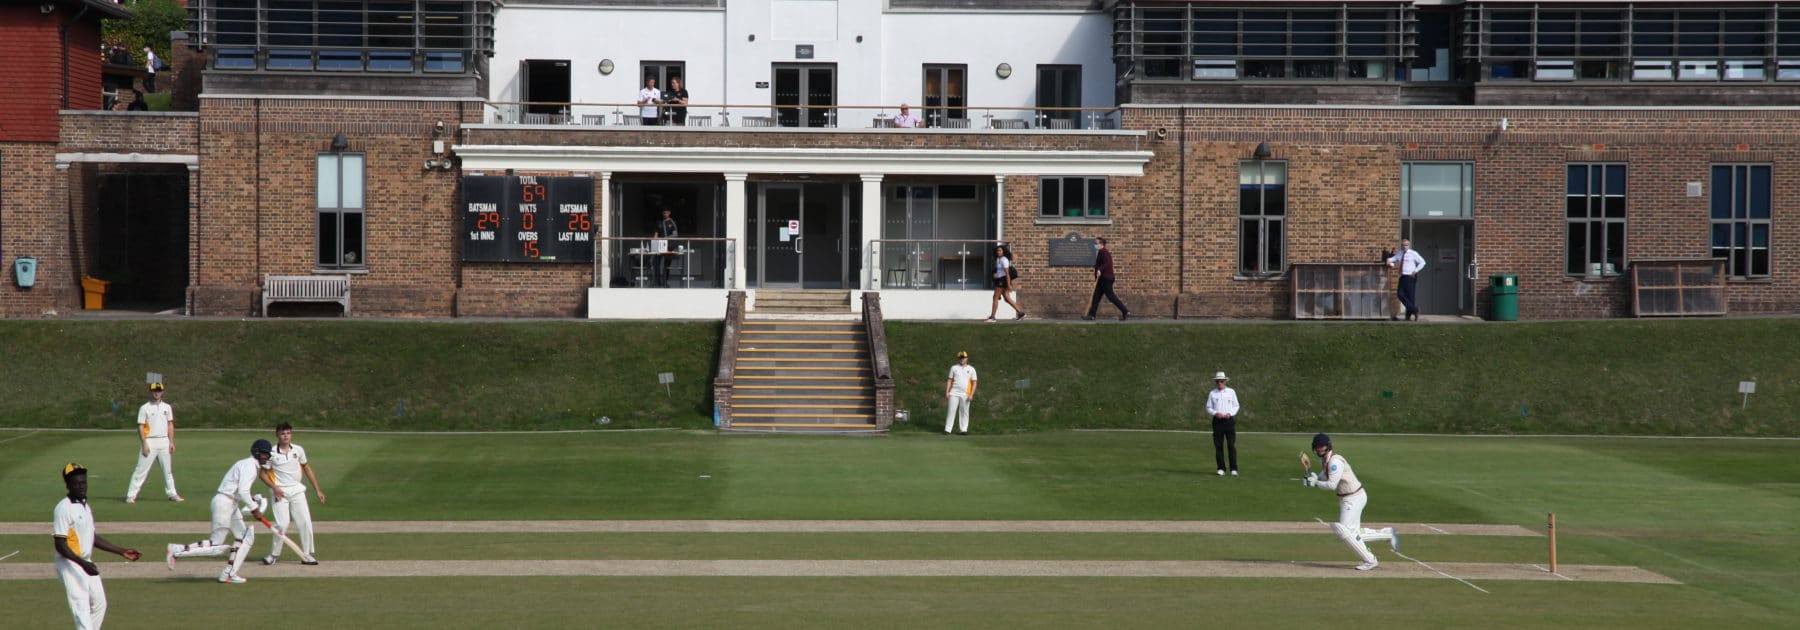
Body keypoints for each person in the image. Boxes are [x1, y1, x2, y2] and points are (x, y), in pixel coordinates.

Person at [166, 440, 271, 584]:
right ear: (257, 452)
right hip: (224, 503)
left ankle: (228, 573)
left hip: (230, 502)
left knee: (245, 536)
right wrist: (254, 509)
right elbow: (243, 491)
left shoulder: (247, 464)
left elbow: (239, 490)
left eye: (267, 454)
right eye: (264, 453)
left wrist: (253, 500)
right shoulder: (250, 467)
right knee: (216, 545)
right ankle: (177, 551)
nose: (266, 456)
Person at [54, 463, 142, 630]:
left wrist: (121, 551)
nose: (81, 487)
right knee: (82, 609)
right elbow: (59, 544)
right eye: (76, 483)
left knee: (100, 604)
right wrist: (82, 563)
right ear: (68, 485)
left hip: (85, 562)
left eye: (84, 483)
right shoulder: (63, 508)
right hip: (70, 564)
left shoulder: (85, 506)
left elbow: (92, 537)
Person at [1302, 433, 1397, 571]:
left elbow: (1331, 485)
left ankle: (1370, 560)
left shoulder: (1335, 462)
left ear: (1328, 446)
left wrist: (1315, 483)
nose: (1319, 449)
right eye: (1317, 447)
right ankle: (1387, 533)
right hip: (1348, 498)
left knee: (1344, 532)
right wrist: (1315, 477)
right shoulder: (1326, 461)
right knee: (1353, 534)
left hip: (1354, 497)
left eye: (1321, 446)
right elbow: (1324, 475)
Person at [261, 422, 324, 566]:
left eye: (288, 433)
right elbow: (262, 474)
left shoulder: (298, 450)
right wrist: (274, 487)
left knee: (305, 523)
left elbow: (307, 468)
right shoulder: (270, 452)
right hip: (280, 492)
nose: (286, 436)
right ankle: (274, 555)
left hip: (297, 490)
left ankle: (306, 554)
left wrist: (317, 490)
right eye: (283, 433)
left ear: (291, 434)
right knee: (282, 524)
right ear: (277, 435)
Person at [125, 382, 182, 504]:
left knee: (167, 471)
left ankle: (172, 494)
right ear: (150, 392)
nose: (156, 393)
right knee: (140, 470)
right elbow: (140, 427)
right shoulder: (144, 408)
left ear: (162, 392)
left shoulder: (167, 407)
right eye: (154, 391)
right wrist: (144, 443)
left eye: (159, 390)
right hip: (150, 441)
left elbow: (170, 424)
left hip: (164, 441)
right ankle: (131, 495)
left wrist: (171, 442)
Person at [1083, 236, 1130, 321]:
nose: (1095, 245)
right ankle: (1092, 315)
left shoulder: (1104, 252)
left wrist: (1100, 270)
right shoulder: (1101, 252)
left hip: (1106, 279)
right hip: (1102, 279)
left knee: (1111, 297)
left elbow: (1107, 263)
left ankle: (1125, 311)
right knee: (1096, 297)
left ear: (1101, 244)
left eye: (1096, 243)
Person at [1205, 371, 1239, 477]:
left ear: (1225, 381)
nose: (1220, 383)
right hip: (1218, 422)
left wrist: (1230, 413)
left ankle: (1233, 469)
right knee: (1218, 445)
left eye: (1221, 381)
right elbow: (1208, 407)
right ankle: (1221, 468)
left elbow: (1236, 405)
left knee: (1231, 445)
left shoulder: (1231, 392)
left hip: (1229, 421)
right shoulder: (1212, 393)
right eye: (1218, 381)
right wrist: (1215, 413)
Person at [1386, 238, 1426, 321]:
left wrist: (1415, 271)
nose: (1405, 247)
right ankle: (1415, 310)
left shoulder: (1413, 253)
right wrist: (1388, 260)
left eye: (1406, 245)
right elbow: (1393, 259)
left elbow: (1422, 262)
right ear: (1401, 245)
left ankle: (1409, 316)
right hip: (1403, 276)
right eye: (1403, 245)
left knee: (1410, 297)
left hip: (1410, 276)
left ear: (1409, 245)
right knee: (1400, 294)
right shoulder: (1400, 253)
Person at [986, 244, 1025, 323]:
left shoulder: (1004, 260)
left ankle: (992, 317)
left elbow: (1007, 274)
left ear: (1003, 251)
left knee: (995, 297)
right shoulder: (999, 259)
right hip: (1000, 279)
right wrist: (995, 275)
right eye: (997, 251)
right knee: (1007, 298)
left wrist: (1009, 284)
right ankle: (1021, 313)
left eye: (1000, 251)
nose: (998, 252)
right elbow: (1000, 271)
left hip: (1003, 280)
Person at [943, 350, 977, 435]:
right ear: (958, 359)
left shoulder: (971, 369)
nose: (962, 359)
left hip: (965, 393)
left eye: (963, 358)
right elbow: (949, 380)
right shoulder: (954, 368)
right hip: (954, 392)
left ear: (967, 358)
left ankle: (963, 430)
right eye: (960, 358)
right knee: (951, 411)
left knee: (964, 412)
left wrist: (971, 394)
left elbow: (974, 383)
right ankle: (947, 430)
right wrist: (947, 392)